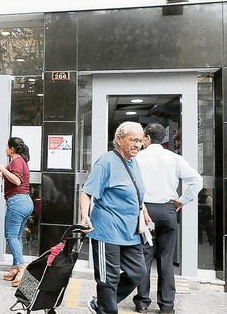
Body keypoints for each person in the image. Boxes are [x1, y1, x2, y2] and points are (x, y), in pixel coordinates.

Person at [79, 121, 149, 314]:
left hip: (130, 230)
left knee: (138, 272)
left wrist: (143, 209)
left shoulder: (133, 162)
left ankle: (101, 302)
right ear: (119, 139)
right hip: (107, 230)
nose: (137, 145)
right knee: (107, 279)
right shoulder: (106, 161)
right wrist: (85, 215)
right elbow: (87, 192)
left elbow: (133, 191)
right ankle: (106, 309)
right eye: (133, 140)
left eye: (141, 141)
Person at [133, 123, 202, 314]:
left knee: (144, 258)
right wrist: (182, 200)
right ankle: (166, 306)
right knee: (166, 259)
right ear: (163, 138)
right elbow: (197, 180)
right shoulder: (175, 158)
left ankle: (142, 302)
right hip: (168, 210)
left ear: (146, 138)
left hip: (145, 212)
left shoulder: (138, 157)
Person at [0, 137, 34, 287]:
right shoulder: (21, 162)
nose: (6, 149)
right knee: (16, 236)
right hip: (25, 201)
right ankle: (14, 268)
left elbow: (17, 181)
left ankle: (21, 268)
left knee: (11, 236)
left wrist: (3, 169)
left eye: (7, 147)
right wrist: (1, 172)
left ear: (12, 149)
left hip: (17, 202)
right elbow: (14, 180)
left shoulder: (17, 161)